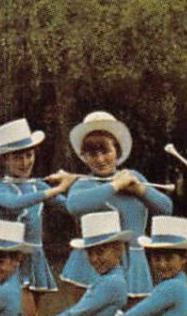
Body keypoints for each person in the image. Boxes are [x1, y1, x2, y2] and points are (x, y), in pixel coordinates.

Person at [59, 111, 173, 299]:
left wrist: (139, 190)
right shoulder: (83, 184)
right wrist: (115, 185)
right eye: (92, 154)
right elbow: (73, 206)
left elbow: (166, 208)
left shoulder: (134, 178)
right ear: (84, 157)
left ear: (117, 152)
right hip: (91, 266)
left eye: (106, 152)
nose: (100, 159)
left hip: (133, 263)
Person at [0, 119, 73, 316]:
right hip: (10, 262)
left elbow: (70, 207)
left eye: (29, 155)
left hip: (35, 260)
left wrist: (100, 187)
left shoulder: (38, 185)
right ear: (5, 159)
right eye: (17, 157)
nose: (25, 162)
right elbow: (13, 203)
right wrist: (57, 188)